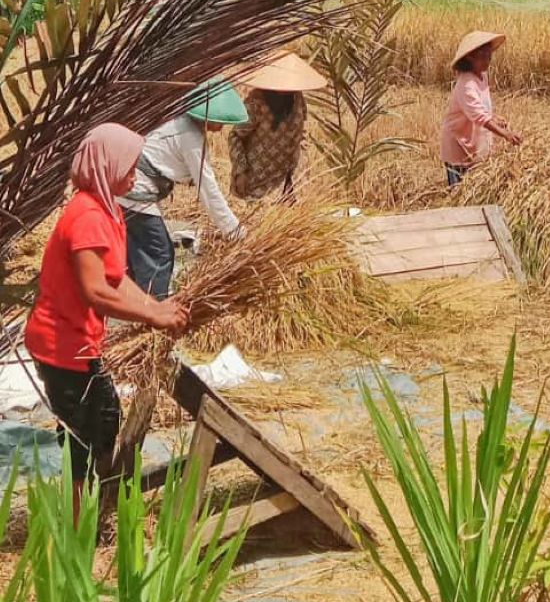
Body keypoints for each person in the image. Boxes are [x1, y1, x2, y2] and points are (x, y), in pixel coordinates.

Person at [24, 123, 187, 518]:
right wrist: (153, 313)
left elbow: (116, 278)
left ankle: (94, 505)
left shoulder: (105, 210)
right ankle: (78, 524)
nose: (134, 176)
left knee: (105, 416)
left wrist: (156, 307)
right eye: (128, 167)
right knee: (81, 436)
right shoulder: (87, 216)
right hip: (60, 343)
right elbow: (94, 290)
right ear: (106, 165)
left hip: (80, 342)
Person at [119, 79, 248, 300]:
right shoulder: (191, 137)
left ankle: (133, 304)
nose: (223, 127)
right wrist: (236, 232)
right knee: (160, 253)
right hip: (135, 192)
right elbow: (209, 191)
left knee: (138, 253)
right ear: (208, 114)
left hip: (125, 187)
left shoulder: (177, 121)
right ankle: (154, 312)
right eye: (220, 120)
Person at [229, 53, 326, 202]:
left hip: (287, 180)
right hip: (257, 183)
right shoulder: (256, 102)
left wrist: (301, 164)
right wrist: (240, 170)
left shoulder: (297, 99)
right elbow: (235, 136)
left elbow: (301, 132)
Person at [439, 30, 522, 187]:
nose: (487, 61)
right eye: (483, 57)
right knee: (459, 194)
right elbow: (478, 116)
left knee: (473, 188)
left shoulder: (481, 77)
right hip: (458, 144)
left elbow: (480, 108)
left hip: (472, 143)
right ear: (470, 58)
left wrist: (494, 117)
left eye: (489, 56)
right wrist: (506, 134)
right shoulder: (466, 84)